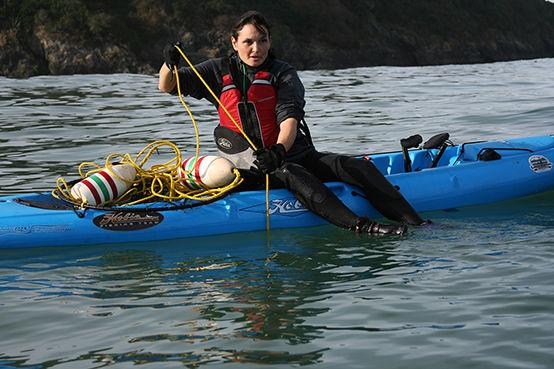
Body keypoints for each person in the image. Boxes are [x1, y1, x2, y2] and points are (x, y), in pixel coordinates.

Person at [158, 11, 426, 235]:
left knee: (358, 166)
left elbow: (289, 120)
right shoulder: (215, 71)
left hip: (289, 153)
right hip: (250, 167)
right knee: (294, 174)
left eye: (262, 41)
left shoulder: (282, 73)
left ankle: (417, 223)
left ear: (269, 41)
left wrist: (278, 151)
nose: (256, 48)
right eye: (249, 41)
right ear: (234, 42)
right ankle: (364, 228)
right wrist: (169, 64)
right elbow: (166, 86)